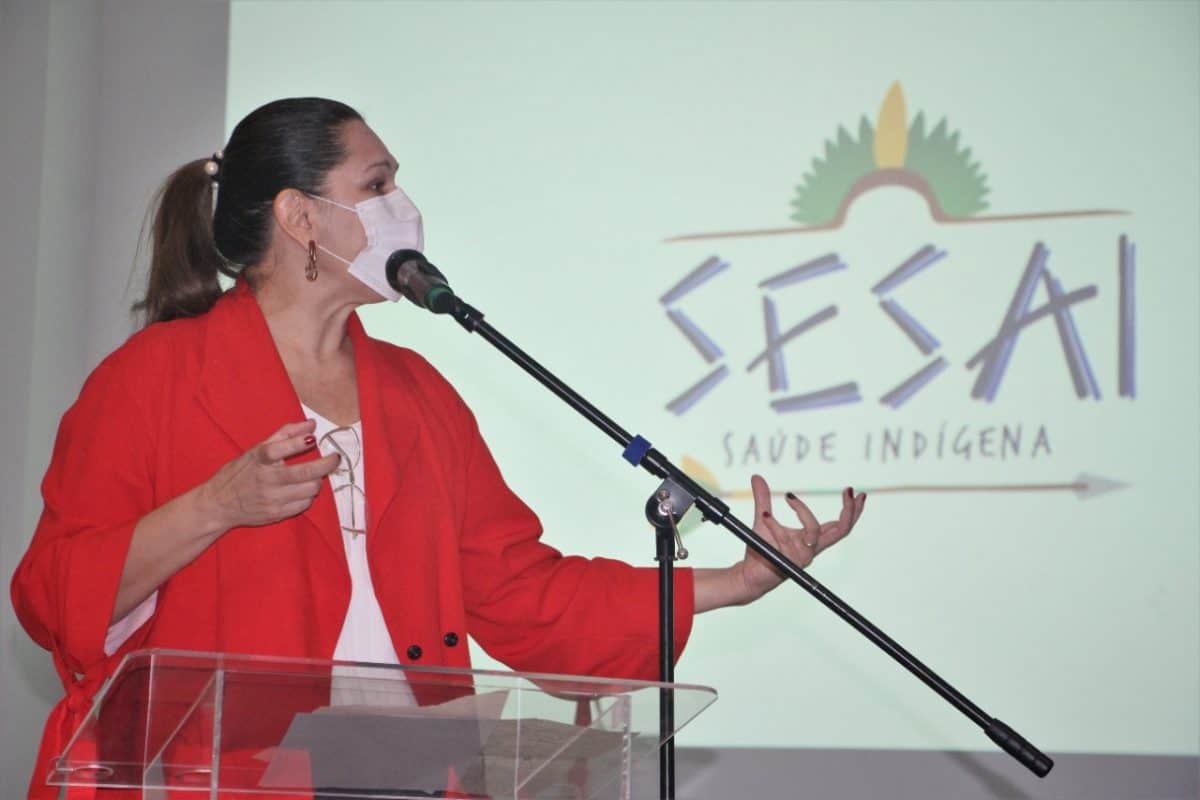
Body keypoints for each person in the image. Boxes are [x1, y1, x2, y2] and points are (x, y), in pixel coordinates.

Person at [10, 97, 866, 800]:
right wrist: (215, 506)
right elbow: (53, 594)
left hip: (410, 777)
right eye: (377, 184)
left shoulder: (416, 392)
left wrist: (734, 582)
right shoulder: (153, 378)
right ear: (299, 216)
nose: (402, 207)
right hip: (225, 781)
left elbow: (520, 592)